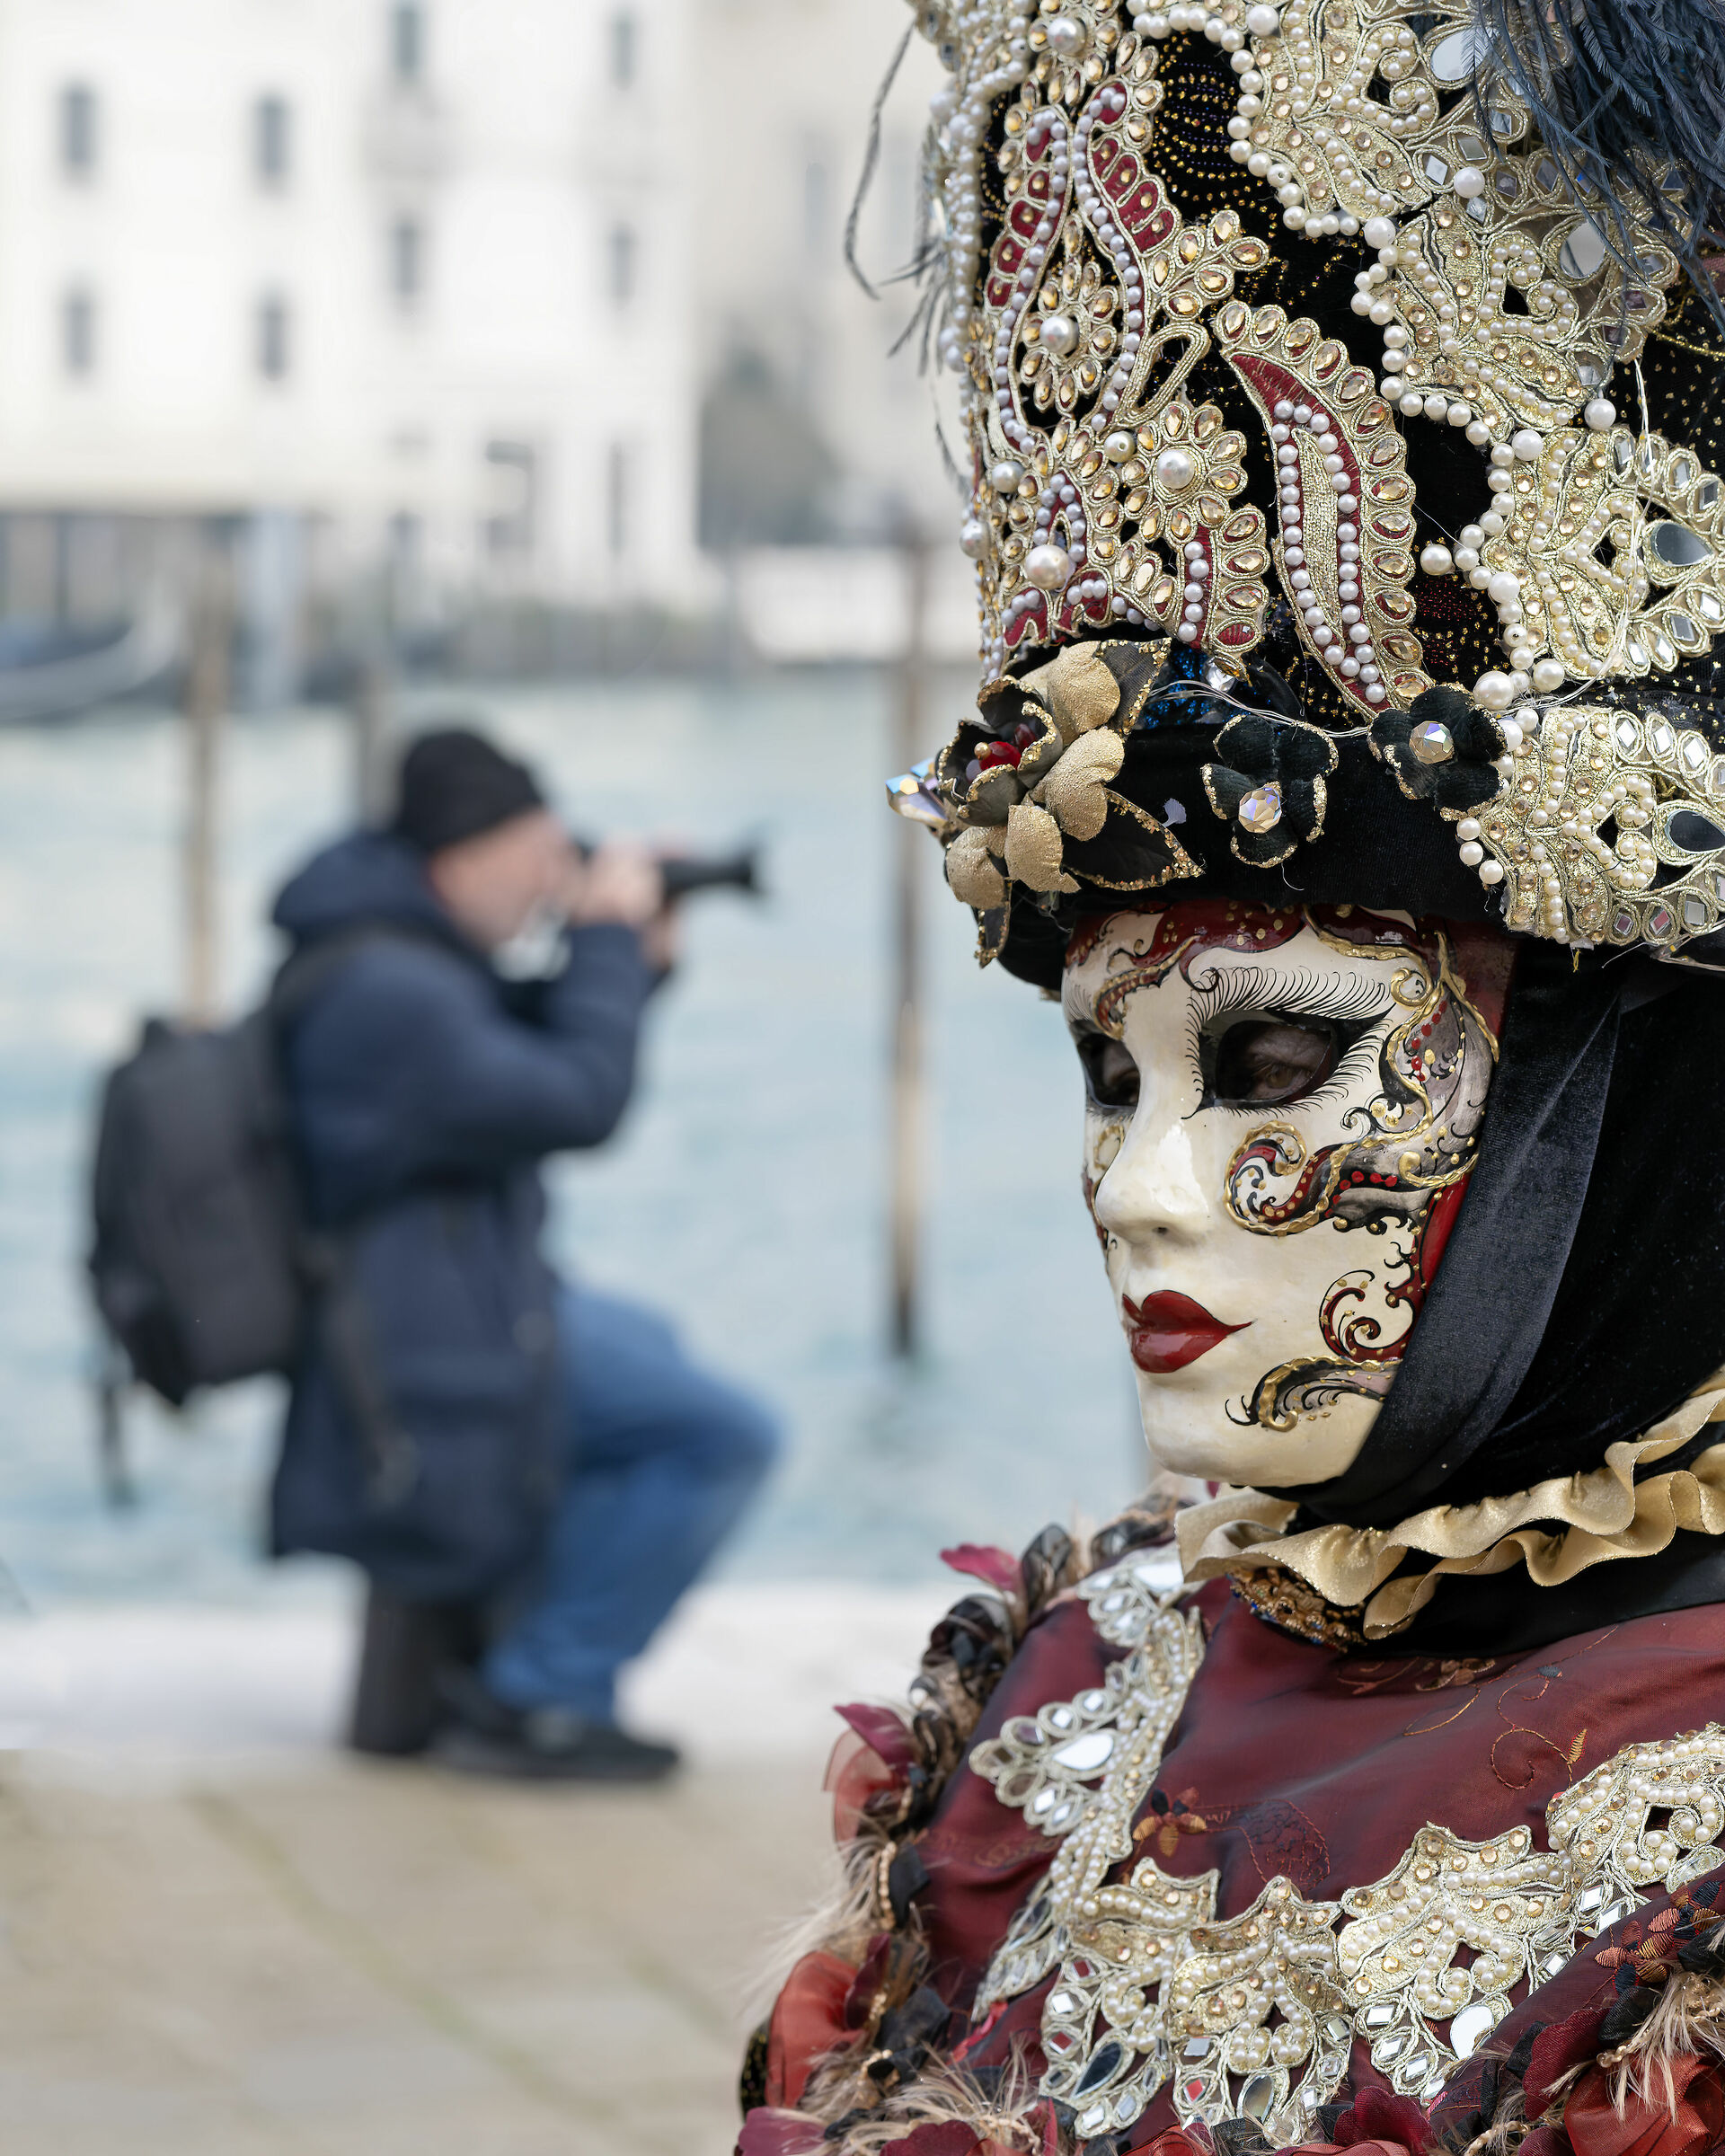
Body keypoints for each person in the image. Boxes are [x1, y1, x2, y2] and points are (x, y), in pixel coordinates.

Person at [740, 0, 1725, 2150]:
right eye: (1111, 1072)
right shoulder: (1065, 1692)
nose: (1137, 1187)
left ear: (1630, 1072)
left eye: (1279, 1052)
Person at [270, 726, 778, 1781]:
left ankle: (524, 1647)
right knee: (722, 1433)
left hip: (453, 1298)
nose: (557, 878)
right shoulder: (390, 991)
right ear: (468, 856)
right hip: (427, 1342)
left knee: (653, 1345)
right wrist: (600, 942)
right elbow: (575, 1099)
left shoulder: (401, 958)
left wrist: (633, 967)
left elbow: (526, 1050)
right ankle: (538, 1691)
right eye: (542, 851)